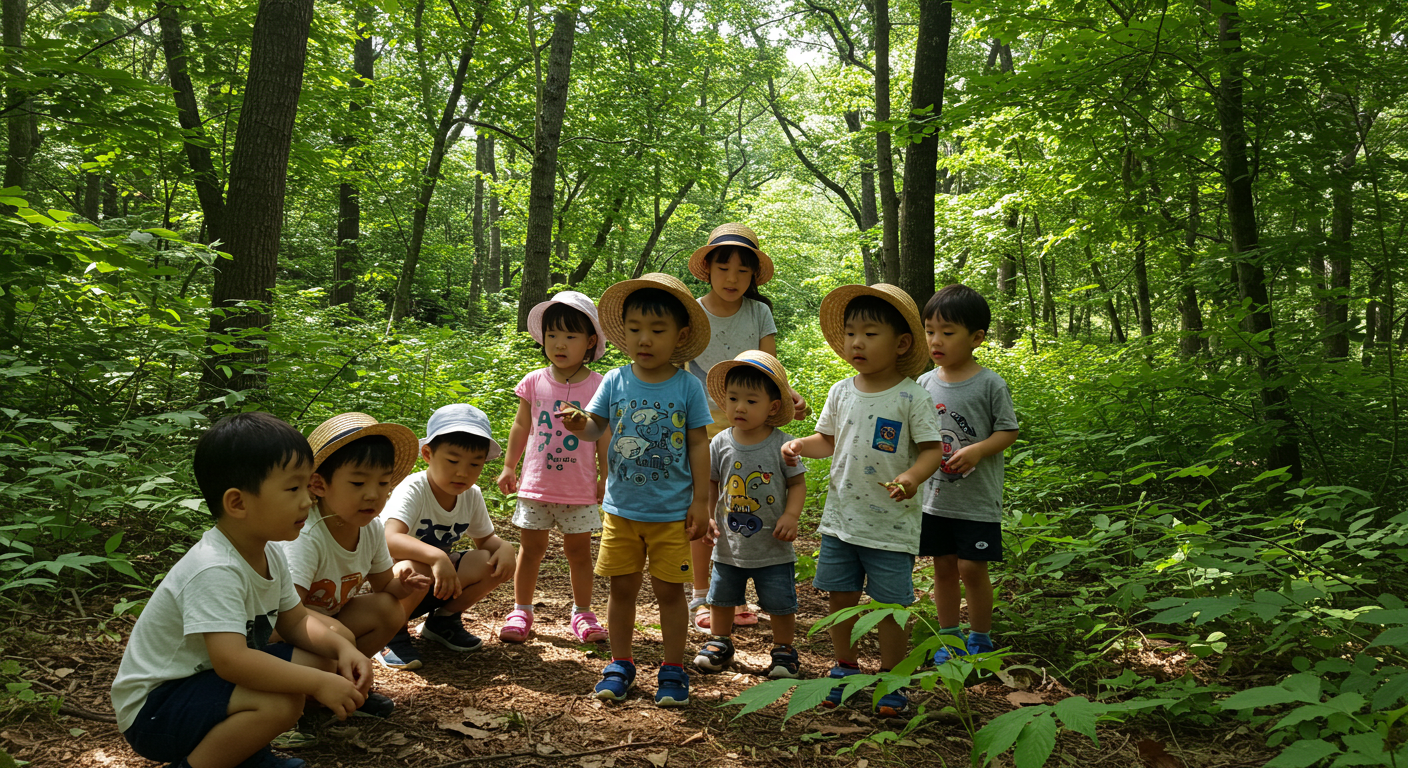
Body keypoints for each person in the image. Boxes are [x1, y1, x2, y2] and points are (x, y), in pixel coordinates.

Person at [110, 412, 370, 768]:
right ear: (238, 503)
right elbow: (233, 661)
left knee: (321, 658)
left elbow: (294, 622)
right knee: (282, 702)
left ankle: (242, 755)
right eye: (293, 489)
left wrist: (342, 647)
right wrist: (318, 683)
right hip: (155, 711)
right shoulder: (215, 567)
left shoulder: (269, 552)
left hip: (201, 686)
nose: (307, 500)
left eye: (307, 487)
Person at [781, 284, 945, 717]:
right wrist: (800, 444)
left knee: (892, 607)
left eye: (870, 333)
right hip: (841, 521)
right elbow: (828, 440)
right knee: (840, 598)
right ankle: (845, 668)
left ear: (902, 343)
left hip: (891, 527)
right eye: (851, 333)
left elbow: (932, 449)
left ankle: (893, 679)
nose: (857, 342)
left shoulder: (912, 396)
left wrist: (911, 477)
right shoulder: (842, 391)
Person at [559, 272, 712, 707]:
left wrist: (701, 501)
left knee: (669, 593)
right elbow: (594, 428)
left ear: (679, 335)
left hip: (670, 514)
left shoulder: (687, 386)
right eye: (634, 330)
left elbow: (699, 443)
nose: (644, 339)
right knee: (621, 589)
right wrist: (579, 424)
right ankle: (620, 664)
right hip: (621, 510)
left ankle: (672, 668)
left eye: (657, 330)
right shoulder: (615, 380)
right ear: (621, 333)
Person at [683, 223, 809, 632]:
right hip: (701, 429)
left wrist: (788, 398)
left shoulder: (759, 312)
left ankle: (732, 598)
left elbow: (770, 370)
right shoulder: (692, 311)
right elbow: (679, 366)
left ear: (754, 275)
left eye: (742, 270)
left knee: (742, 507)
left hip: (750, 431)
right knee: (704, 510)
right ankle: (702, 596)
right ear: (707, 269)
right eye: (724, 268)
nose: (732, 278)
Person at [278, 413, 428, 720]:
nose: (373, 494)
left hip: (328, 621)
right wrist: (338, 638)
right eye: (358, 482)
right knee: (341, 635)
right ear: (319, 485)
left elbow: (386, 586)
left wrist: (404, 583)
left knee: (388, 608)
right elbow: (286, 610)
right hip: (281, 634)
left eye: (384, 482)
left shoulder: (371, 528)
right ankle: (313, 693)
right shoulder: (307, 534)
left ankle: (346, 685)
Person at [496, 291, 610, 644]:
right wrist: (508, 466)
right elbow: (521, 426)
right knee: (530, 549)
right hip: (535, 484)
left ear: (590, 341)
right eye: (552, 336)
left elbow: (603, 435)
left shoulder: (599, 384)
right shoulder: (534, 381)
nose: (560, 344)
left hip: (578, 488)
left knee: (578, 553)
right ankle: (521, 609)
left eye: (571, 336)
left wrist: (606, 476)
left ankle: (583, 613)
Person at [916, 284, 1019, 665]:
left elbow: (1008, 430)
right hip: (935, 498)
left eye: (947, 332)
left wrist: (977, 448)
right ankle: (949, 637)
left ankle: (980, 637)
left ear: (976, 338)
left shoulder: (990, 384)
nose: (936, 340)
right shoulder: (924, 384)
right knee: (942, 567)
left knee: (971, 567)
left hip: (976, 499)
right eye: (930, 331)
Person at [690, 351, 807, 679]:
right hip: (729, 543)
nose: (739, 407)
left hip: (773, 544)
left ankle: (784, 650)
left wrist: (792, 515)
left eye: (751, 401)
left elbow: (797, 483)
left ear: (772, 407)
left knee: (781, 601)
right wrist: (709, 515)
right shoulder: (720, 442)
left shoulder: (783, 445)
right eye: (733, 398)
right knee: (722, 595)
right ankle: (720, 643)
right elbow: (712, 482)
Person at [377, 404, 516, 670]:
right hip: (394, 583)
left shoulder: (470, 494)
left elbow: (485, 541)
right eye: (453, 461)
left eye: (475, 463)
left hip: (437, 581)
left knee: (490, 561)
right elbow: (389, 538)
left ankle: (443, 621)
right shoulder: (415, 488)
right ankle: (390, 633)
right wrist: (437, 556)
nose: (463, 472)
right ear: (428, 454)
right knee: (415, 565)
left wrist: (505, 546)